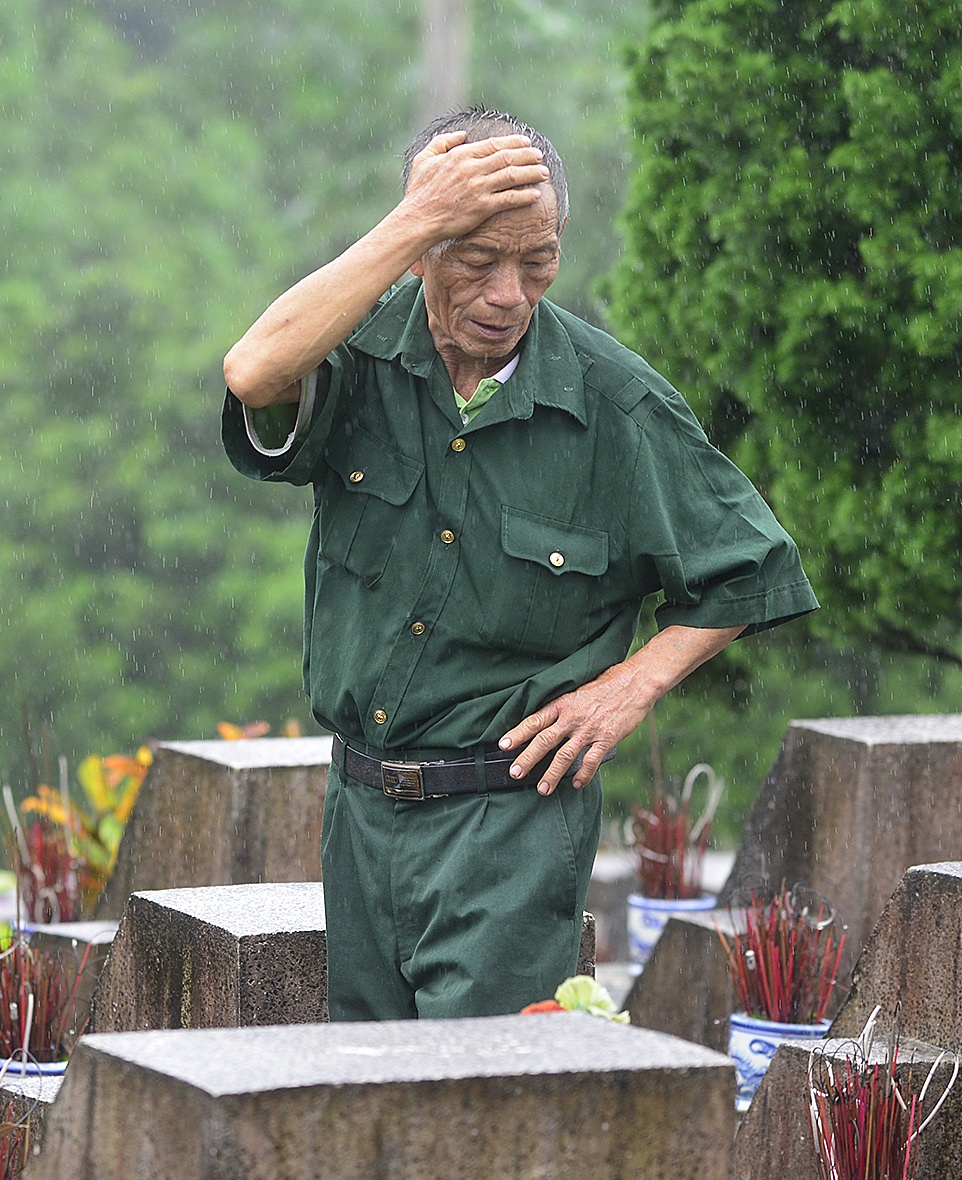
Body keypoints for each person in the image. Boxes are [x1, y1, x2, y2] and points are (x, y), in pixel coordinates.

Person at [220, 107, 817, 1021]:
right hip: (359, 815)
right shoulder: (360, 356)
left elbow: (749, 569)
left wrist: (631, 687)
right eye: (475, 260)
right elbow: (254, 370)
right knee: (366, 1104)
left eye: (537, 261)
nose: (509, 293)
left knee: (470, 1115)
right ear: (419, 249)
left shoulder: (615, 404)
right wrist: (417, 218)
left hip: (510, 826)